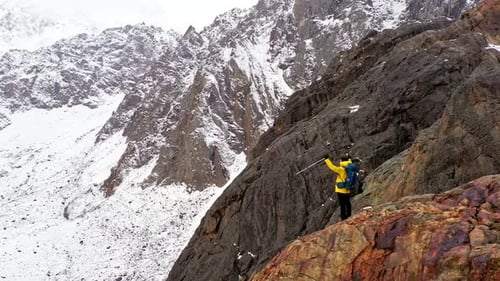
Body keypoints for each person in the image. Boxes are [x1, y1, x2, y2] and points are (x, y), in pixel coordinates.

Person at [324, 154, 353, 220]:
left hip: (341, 189)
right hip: (347, 188)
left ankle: (344, 218)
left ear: (341, 161)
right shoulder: (350, 166)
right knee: (348, 202)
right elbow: (349, 161)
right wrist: (350, 159)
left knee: (342, 204)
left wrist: (327, 160)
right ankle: (349, 215)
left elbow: (332, 167)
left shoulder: (341, 169)